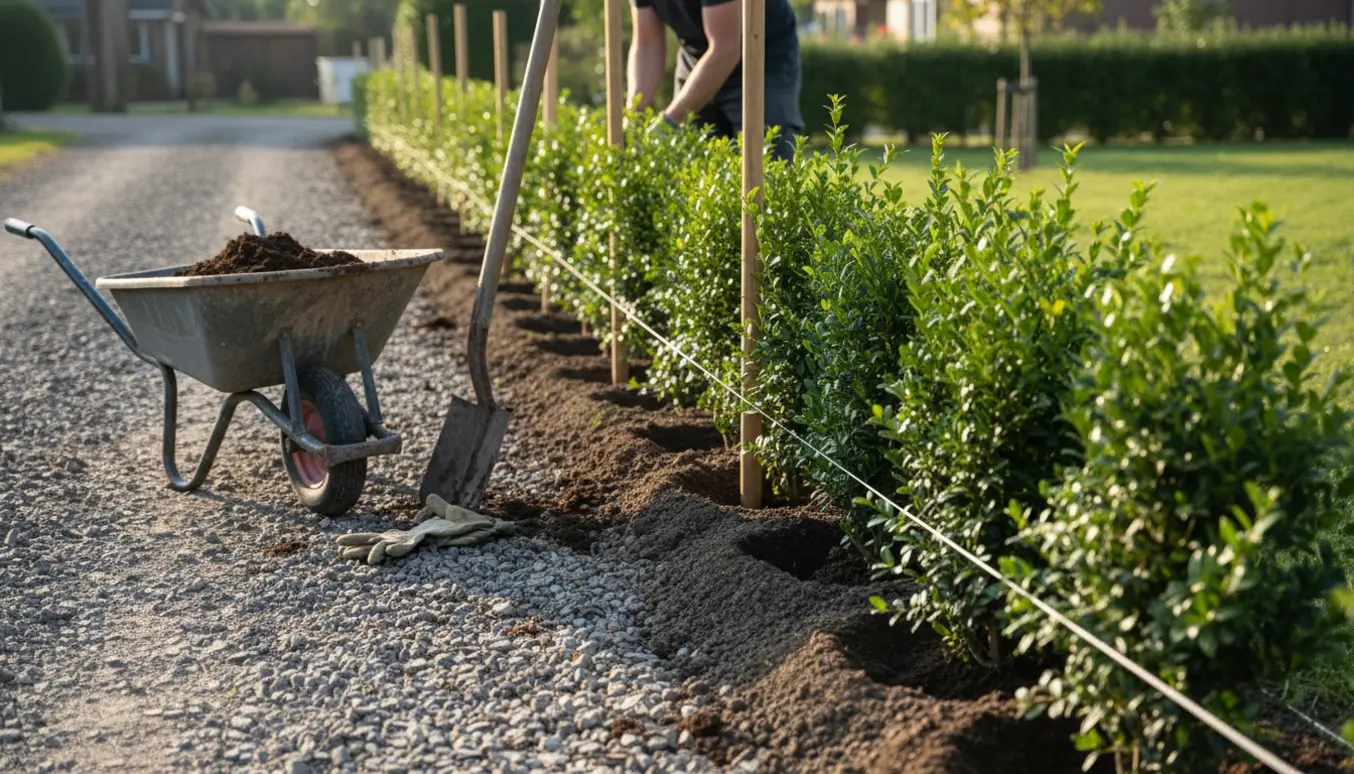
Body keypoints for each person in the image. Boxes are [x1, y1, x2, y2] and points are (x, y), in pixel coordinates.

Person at [625, 0, 804, 160]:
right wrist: (634, 114)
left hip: (762, 56)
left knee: (766, 156)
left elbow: (725, 49)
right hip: (696, 55)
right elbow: (647, 43)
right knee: (690, 160)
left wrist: (670, 121)